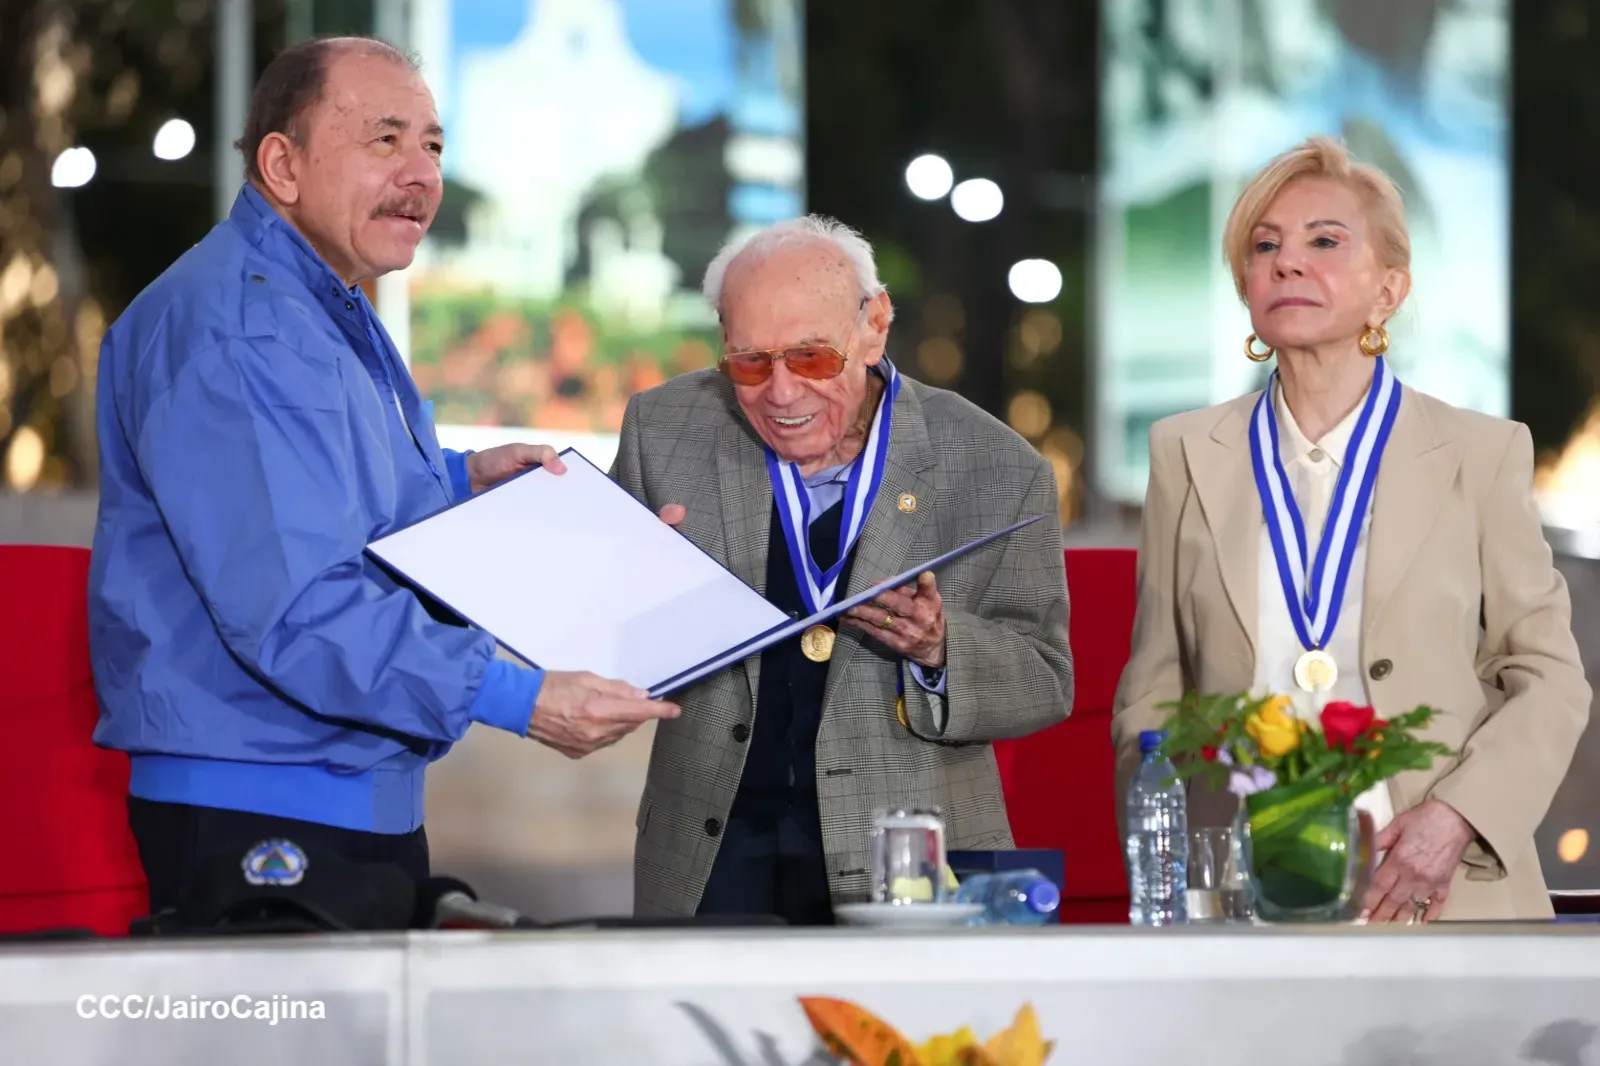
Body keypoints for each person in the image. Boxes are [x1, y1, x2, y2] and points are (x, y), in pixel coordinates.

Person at [88, 36, 676, 914]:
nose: (421, 174)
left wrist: (462, 479)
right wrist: (521, 696)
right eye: (384, 140)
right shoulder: (241, 326)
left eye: (433, 145)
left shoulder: (316, 301)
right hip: (262, 802)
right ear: (282, 165)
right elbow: (296, 608)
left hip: (325, 783)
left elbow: (321, 491)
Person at [1111, 135, 1590, 922]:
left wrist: (1456, 821)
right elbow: (1154, 692)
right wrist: (1173, 867)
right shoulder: (1185, 453)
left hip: (1437, 881)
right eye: (1264, 247)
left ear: (1389, 290)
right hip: (1237, 896)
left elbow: (1548, 676)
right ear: (1245, 284)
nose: (1287, 262)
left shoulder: (1480, 451)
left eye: (1325, 242)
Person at [612, 216, 1073, 923]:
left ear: (875, 325)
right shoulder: (663, 429)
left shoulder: (999, 467)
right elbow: (608, 629)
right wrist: (630, 600)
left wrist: (940, 650)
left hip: (913, 864)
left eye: (811, 358)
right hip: (709, 856)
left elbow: (1045, 678)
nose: (782, 393)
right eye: (749, 363)